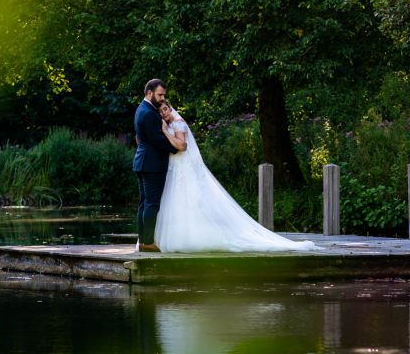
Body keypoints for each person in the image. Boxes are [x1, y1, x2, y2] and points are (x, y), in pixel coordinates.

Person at [154, 101, 316, 252]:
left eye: (165, 109)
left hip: (184, 168)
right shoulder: (170, 123)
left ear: (170, 108)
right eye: (160, 111)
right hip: (178, 168)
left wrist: (164, 132)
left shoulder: (177, 122)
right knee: (183, 202)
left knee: (193, 201)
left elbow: (182, 146)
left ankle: (196, 237)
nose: (163, 113)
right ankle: (186, 235)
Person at [133, 79, 185, 252]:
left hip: (143, 162)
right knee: (151, 204)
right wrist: (176, 147)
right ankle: (147, 242)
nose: (163, 98)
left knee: (144, 203)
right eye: (160, 94)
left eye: (164, 95)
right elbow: (157, 139)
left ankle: (142, 240)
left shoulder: (142, 109)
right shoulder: (149, 113)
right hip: (152, 164)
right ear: (149, 93)